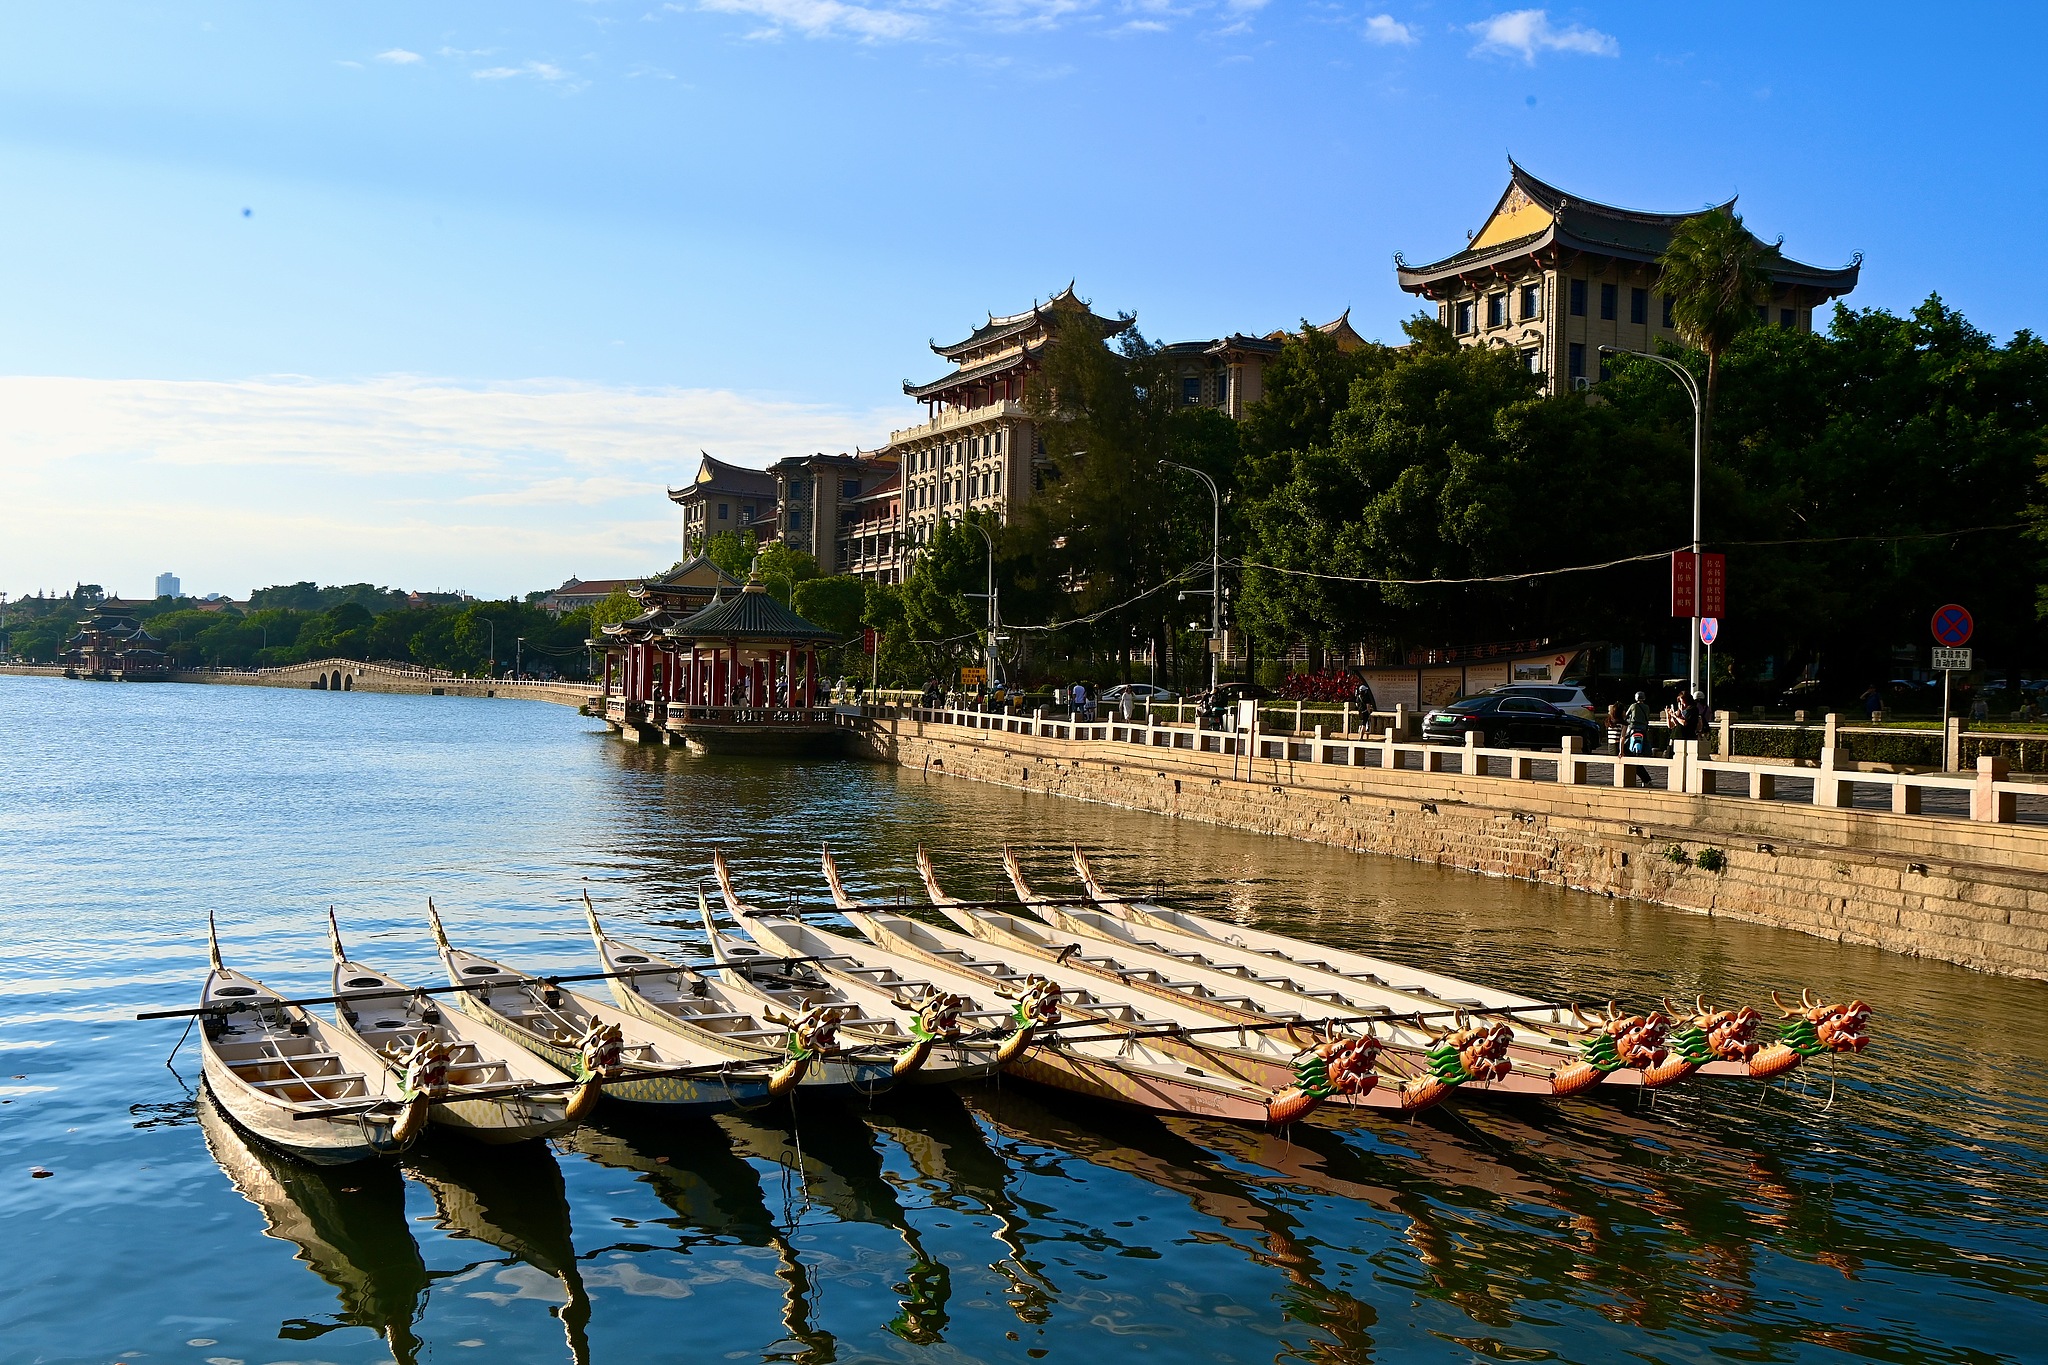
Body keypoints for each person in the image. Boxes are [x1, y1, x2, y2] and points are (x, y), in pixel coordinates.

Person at [1622, 691, 1654, 787]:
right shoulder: (1647, 707)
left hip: (1633, 728)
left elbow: (1626, 716)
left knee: (1626, 742)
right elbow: (1647, 717)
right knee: (1645, 741)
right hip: (1643, 729)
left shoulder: (1633, 706)